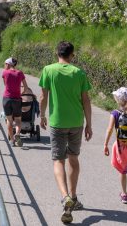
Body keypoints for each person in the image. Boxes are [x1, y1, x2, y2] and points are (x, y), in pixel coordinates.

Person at [39, 41, 92, 225]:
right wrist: (89, 125)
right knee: (73, 158)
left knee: (58, 160)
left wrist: (42, 116)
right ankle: (74, 197)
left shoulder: (48, 70)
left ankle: (65, 197)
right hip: (76, 123)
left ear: (57, 53)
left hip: (57, 123)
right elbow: (86, 100)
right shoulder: (79, 73)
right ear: (72, 55)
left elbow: (43, 96)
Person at [2, 57, 28, 147]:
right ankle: (17, 133)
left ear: (9, 64)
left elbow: (5, 84)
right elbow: (26, 87)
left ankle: (12, 140)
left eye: (5, 64)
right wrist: (21, 94)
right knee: (18, 120)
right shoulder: (20, 73)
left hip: (7, 99)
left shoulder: (5, 73)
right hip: (17, 99)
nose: (5, 66)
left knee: (9, 120)